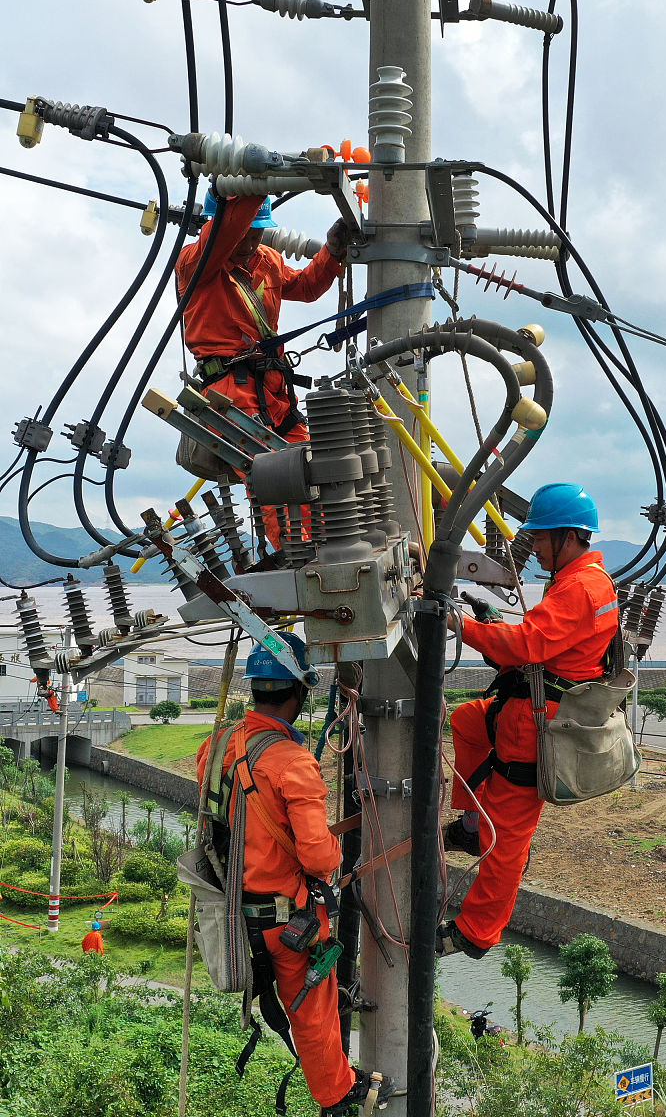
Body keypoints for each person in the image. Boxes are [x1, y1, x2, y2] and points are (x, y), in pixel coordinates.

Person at [196, 633, 394, 1117]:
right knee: (312, 1011)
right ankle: (337, 1098)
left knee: (306, 1008)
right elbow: (320, 858)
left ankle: (339, 1082)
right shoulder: (292, 763)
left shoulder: (215, 745)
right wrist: (329, 847)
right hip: (286, 919)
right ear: (300, 691)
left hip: (234, 912)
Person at [439, 483, 620, 960]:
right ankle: (474, 822)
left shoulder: (580, 588)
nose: (535, 548)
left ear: (565, 536)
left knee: (508, 841)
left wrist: (461, 626)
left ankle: (476, 931)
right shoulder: (586, 580)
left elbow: (525, 647)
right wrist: (494, 621)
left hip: (538, 726)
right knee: (466, 720)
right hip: (533, 710)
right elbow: (547, 638)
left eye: (540, 539)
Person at [175, 190, 349, 550]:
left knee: (313, 467)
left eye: (258, 234)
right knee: (272, 476)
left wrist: (332, 253)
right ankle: (297, 556)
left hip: (273, 390)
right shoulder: (197, 261)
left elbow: (303, 286)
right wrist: (258, 183)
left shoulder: (266, 259)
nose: (251, 242)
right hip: (229, 391)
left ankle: (324, 551)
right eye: (245, 234)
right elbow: (227, 228)